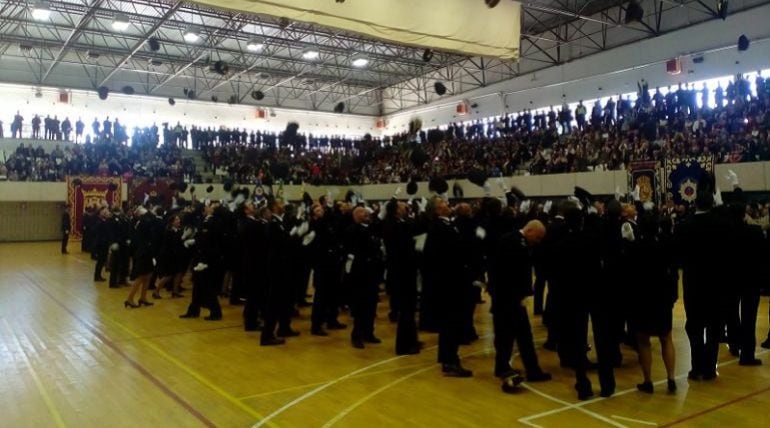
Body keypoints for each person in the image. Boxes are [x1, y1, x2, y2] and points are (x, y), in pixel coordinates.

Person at [489, 218, 551, 382]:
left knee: (512, 335)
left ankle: (505, 367)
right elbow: (507, 273)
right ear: (530, 231)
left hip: (510, 298)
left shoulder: (515, 241)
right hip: (508, 298)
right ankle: (530, 370)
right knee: (517, 336)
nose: (537, 242)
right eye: (537, 238)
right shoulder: (511, 242)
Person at [630, 208, 678, 394]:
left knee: (643, 341)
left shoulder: (635, 247)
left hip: (643, 298)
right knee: (666, 338)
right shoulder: (665, 245)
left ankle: (648, 380)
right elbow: (672, 272)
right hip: (662, 298)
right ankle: (671, 378)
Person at [423, 197, 472, 377]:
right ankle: (450, 361)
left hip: (451, 281)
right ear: (437, 210)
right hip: (449, 283)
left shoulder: (447, 224)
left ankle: (448, 357)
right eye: (442, 202)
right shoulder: (438, 227)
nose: (446, 202)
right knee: (450, 323)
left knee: (450, 324)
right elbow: (443, 256)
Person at [382, 199, 420, 355]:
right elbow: (405, 244)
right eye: (402, 205)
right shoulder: (393, 225)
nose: (406, 206)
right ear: (396, 210)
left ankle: (411, 340)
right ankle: (404, 345)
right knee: (406, 309)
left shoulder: (399, 223)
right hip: (401, 271)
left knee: (409, 309)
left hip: (404, 270)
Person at [260, 197, 298, 345]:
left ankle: (284, 327)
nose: (283, 205)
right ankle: (267, 335)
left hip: (283, 267)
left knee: (284, 300)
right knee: (274, 302)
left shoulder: (279, 222)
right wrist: (294, 235)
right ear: (275, 207)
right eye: (280, 203)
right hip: (277, 268)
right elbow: (279, 245)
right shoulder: (273, 224)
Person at [345, 206, 383, 349]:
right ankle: (357, 335)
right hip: (360, 273)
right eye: (362, 211)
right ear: (355, 215)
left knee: (371, 305)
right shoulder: (352, 230)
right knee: (360, 306)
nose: (366, 213)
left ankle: (369, 332)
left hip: (372, 272)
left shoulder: (370, 228)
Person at [180, 202, 224, 321]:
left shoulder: (214, 222)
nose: (208, 207)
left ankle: (216, 312)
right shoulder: (205, 220)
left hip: (207, 260)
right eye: (208, 206)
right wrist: (194, 241)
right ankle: (194, 310)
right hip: (201, 257)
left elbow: (212, 242)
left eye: (210, 206)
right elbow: (202, 238)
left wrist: (204, 261)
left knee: (207, 287)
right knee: (198, 286)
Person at [125, 206, 156, 308]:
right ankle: (129, 299)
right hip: (143, 252)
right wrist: (147, 212)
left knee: (148, 275)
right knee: (141, 276)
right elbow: (152, 220)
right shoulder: (142, 222)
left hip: (147, 251)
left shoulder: (143, 221)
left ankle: (143, 297)